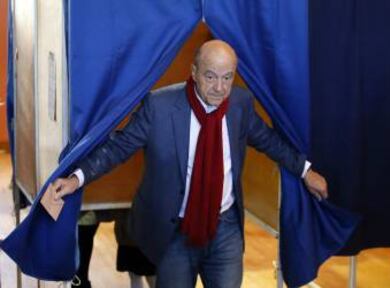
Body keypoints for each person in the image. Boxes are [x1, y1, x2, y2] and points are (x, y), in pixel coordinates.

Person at [50, 40, 328, 288]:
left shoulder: (240, 105)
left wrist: (305, 171)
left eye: (227, 78)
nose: (220, 88)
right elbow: (118, 147)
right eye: (210, 76)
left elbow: (270, 141)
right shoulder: (159, 107)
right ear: (194, 72)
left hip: (225, 228)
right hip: (175, 231)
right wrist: (76, 178)